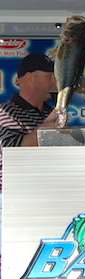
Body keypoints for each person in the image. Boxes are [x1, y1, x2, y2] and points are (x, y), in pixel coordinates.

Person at [0, 53, 58, 191]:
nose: (55, 81)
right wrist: (47, 129)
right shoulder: (5, 111)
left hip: (45, 192)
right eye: (49, 76)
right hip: (13, 196)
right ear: (29, 78)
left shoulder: (49, 111)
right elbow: (9, 151)